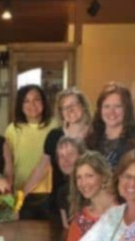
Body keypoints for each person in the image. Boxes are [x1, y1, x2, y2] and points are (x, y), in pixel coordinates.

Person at [22, 88, 92, 217]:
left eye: (74, 105)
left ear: (83, 106)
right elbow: (41, 169)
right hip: (58, 201)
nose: (70, 110)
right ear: (61, 113)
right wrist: (21, 197)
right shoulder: (55, 135)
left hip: (87, 202)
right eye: (65, 108)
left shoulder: (95, 135)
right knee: (25, 211)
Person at [5, 84, 57, 219]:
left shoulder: (55, 126)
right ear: (20, 106)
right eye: (26, 101)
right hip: (20, 193)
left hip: (48, 193)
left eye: (36, 99)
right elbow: (8, 164)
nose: (32, 104)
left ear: (44, 102)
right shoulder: (13, 129)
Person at [87, 82, 135, 169]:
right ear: (100, 110)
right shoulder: (91, 138)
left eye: (117, 106)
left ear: (127, 109)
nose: (111, 112)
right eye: (106, 106)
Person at [65, 152, 116, 241]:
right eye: (79, 177)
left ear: (104, 177)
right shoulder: (79, 220)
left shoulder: (124, 209)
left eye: (89, 176)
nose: (83, 183)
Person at [54, 136, 86, 228]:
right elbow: (67, 228)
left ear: (82, 155)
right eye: (61, 156)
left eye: (70, 154)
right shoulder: (62, 192)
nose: (65, 160)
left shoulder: (92, 186)